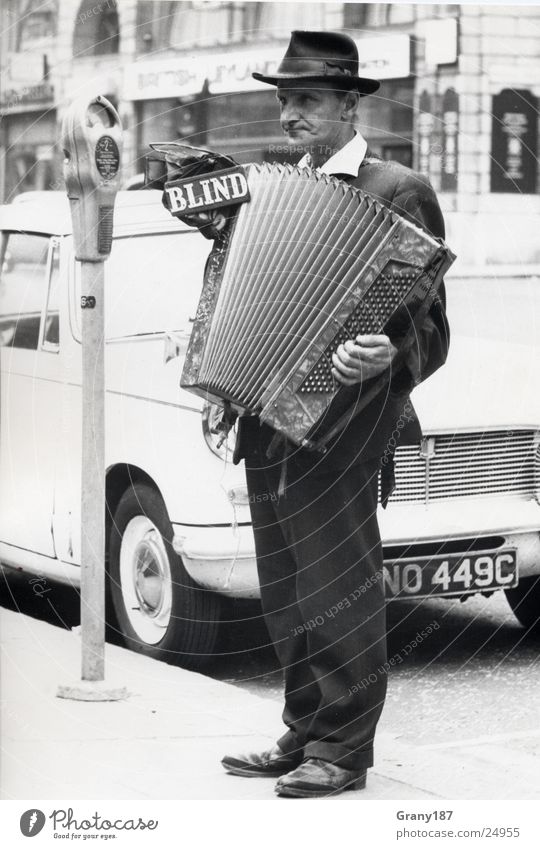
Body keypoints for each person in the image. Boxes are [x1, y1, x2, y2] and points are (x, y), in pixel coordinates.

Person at [218, 30, 450, 798]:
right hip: (267, 413)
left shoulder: (396, 188)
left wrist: (387, 355)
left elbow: (428, 323)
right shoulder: (280, 187)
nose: (289, 114)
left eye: (307, 99)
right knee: (285, 582)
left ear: (350, 105)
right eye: (284, 100)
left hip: (343, 422)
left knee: (337, 581)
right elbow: (249, 289)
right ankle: (302, 728)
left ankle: (343, 748)